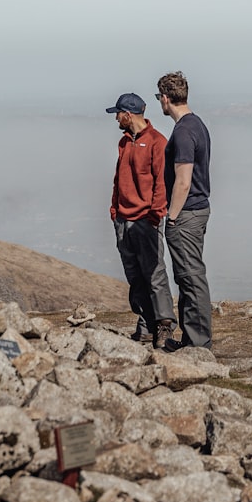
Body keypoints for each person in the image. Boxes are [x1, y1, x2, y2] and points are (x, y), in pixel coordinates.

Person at [106, 92, 176, 350]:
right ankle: (146, 323)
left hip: (146, 220)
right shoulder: (124, 143)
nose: (116, 119)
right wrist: (114, 210)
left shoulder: (158, 142)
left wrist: (155, 214)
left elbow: (162, 182)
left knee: (155, 274)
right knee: (135, 276)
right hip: (123, 220)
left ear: (128, 114)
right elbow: (118, 179)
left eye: (118, 114)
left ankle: (164, 326)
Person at [156, 71, 212, 349]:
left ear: (166, 99)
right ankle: (192, 339)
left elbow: (184, 179)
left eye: (159, 98)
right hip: (195, 211)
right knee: (187, 275)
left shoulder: (184, 131)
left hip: (187, 213)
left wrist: (173, 217)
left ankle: (199, 345)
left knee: (190, 277)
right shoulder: (196, 125)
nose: (160, 103)